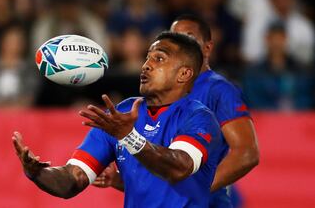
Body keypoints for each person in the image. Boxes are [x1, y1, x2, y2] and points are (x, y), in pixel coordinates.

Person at [13, 32, 224, 207]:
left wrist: (128, 136)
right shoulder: (120, 114)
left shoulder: (199, 117)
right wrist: (37, 173)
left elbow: (178, 168)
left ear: (184, 74)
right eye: (147, 58)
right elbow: (72, 179)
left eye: (159, 58)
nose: (146, 65)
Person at [94, 14, 260, 208]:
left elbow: (246, 153)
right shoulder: (159, 92)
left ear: (207, 47)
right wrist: (117, 179)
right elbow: (163, 171)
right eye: (173, 37)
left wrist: (196, 190)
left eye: (189, 37)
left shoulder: (219, 90)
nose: (178, 43)